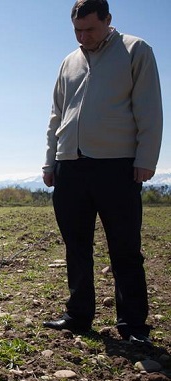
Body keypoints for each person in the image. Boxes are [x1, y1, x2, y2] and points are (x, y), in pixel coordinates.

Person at [42, 0, 163, 347]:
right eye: (77, 31)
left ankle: (133, 325)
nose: (83, 37)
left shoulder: (135, 50)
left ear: (108, 20)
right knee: (75, 246)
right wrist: (51, 161)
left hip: (118, 166)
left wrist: (146, 158)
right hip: (70, 166)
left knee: (124, 248)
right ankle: (78, 315)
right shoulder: (69, 61)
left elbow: (150, 108)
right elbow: (56, 116)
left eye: (90, 29)